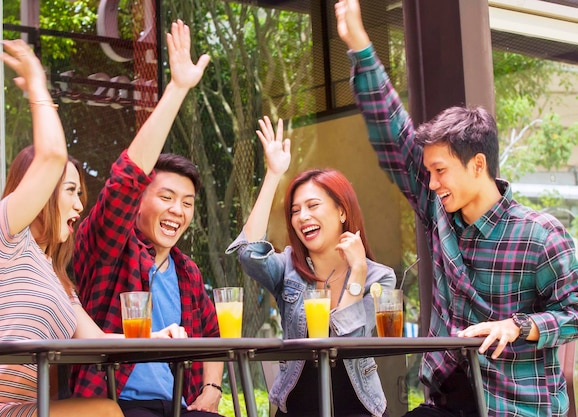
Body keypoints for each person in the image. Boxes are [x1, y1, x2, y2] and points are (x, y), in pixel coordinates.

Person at [335, 1, 578, 416]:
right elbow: (393, 131)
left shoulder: (541, 234)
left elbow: (574, 310)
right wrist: (360, 45)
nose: (430, 183)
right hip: (447, 400)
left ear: (478, 164)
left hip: (517, 406)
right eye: (427, 171)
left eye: (440, 170)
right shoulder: (439, 212)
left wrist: (519, 326)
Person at [0, 38, 187, 417]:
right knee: (107, 411)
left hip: (27, 408)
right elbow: (52, 156)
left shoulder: (59, 282)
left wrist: (159, 336)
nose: (80, 204)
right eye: (71, 191)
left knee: (106, 408)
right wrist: (39, 89)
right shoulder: (4, 236)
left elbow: (98, 340)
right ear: (42, 191)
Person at [69, 20, 224, 417]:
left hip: (180, 407)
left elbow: (214, 333)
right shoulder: (111, 249)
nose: (178, 211)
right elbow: (124, 180)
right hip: (115, 406)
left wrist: (210, 391)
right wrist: (177, 89)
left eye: (188, 203)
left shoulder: (186, 272)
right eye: (167, 197)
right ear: (139, 201)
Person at [226, 116, 396, 417]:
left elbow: (345, 343)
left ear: (342, 211)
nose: (302, 216)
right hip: (296, 408)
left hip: (357, 408)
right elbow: (249, 255)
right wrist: (273, 175)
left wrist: (357, 272)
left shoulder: (380, 277)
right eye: (295, 210)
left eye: (313, 206)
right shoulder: (288, 268)